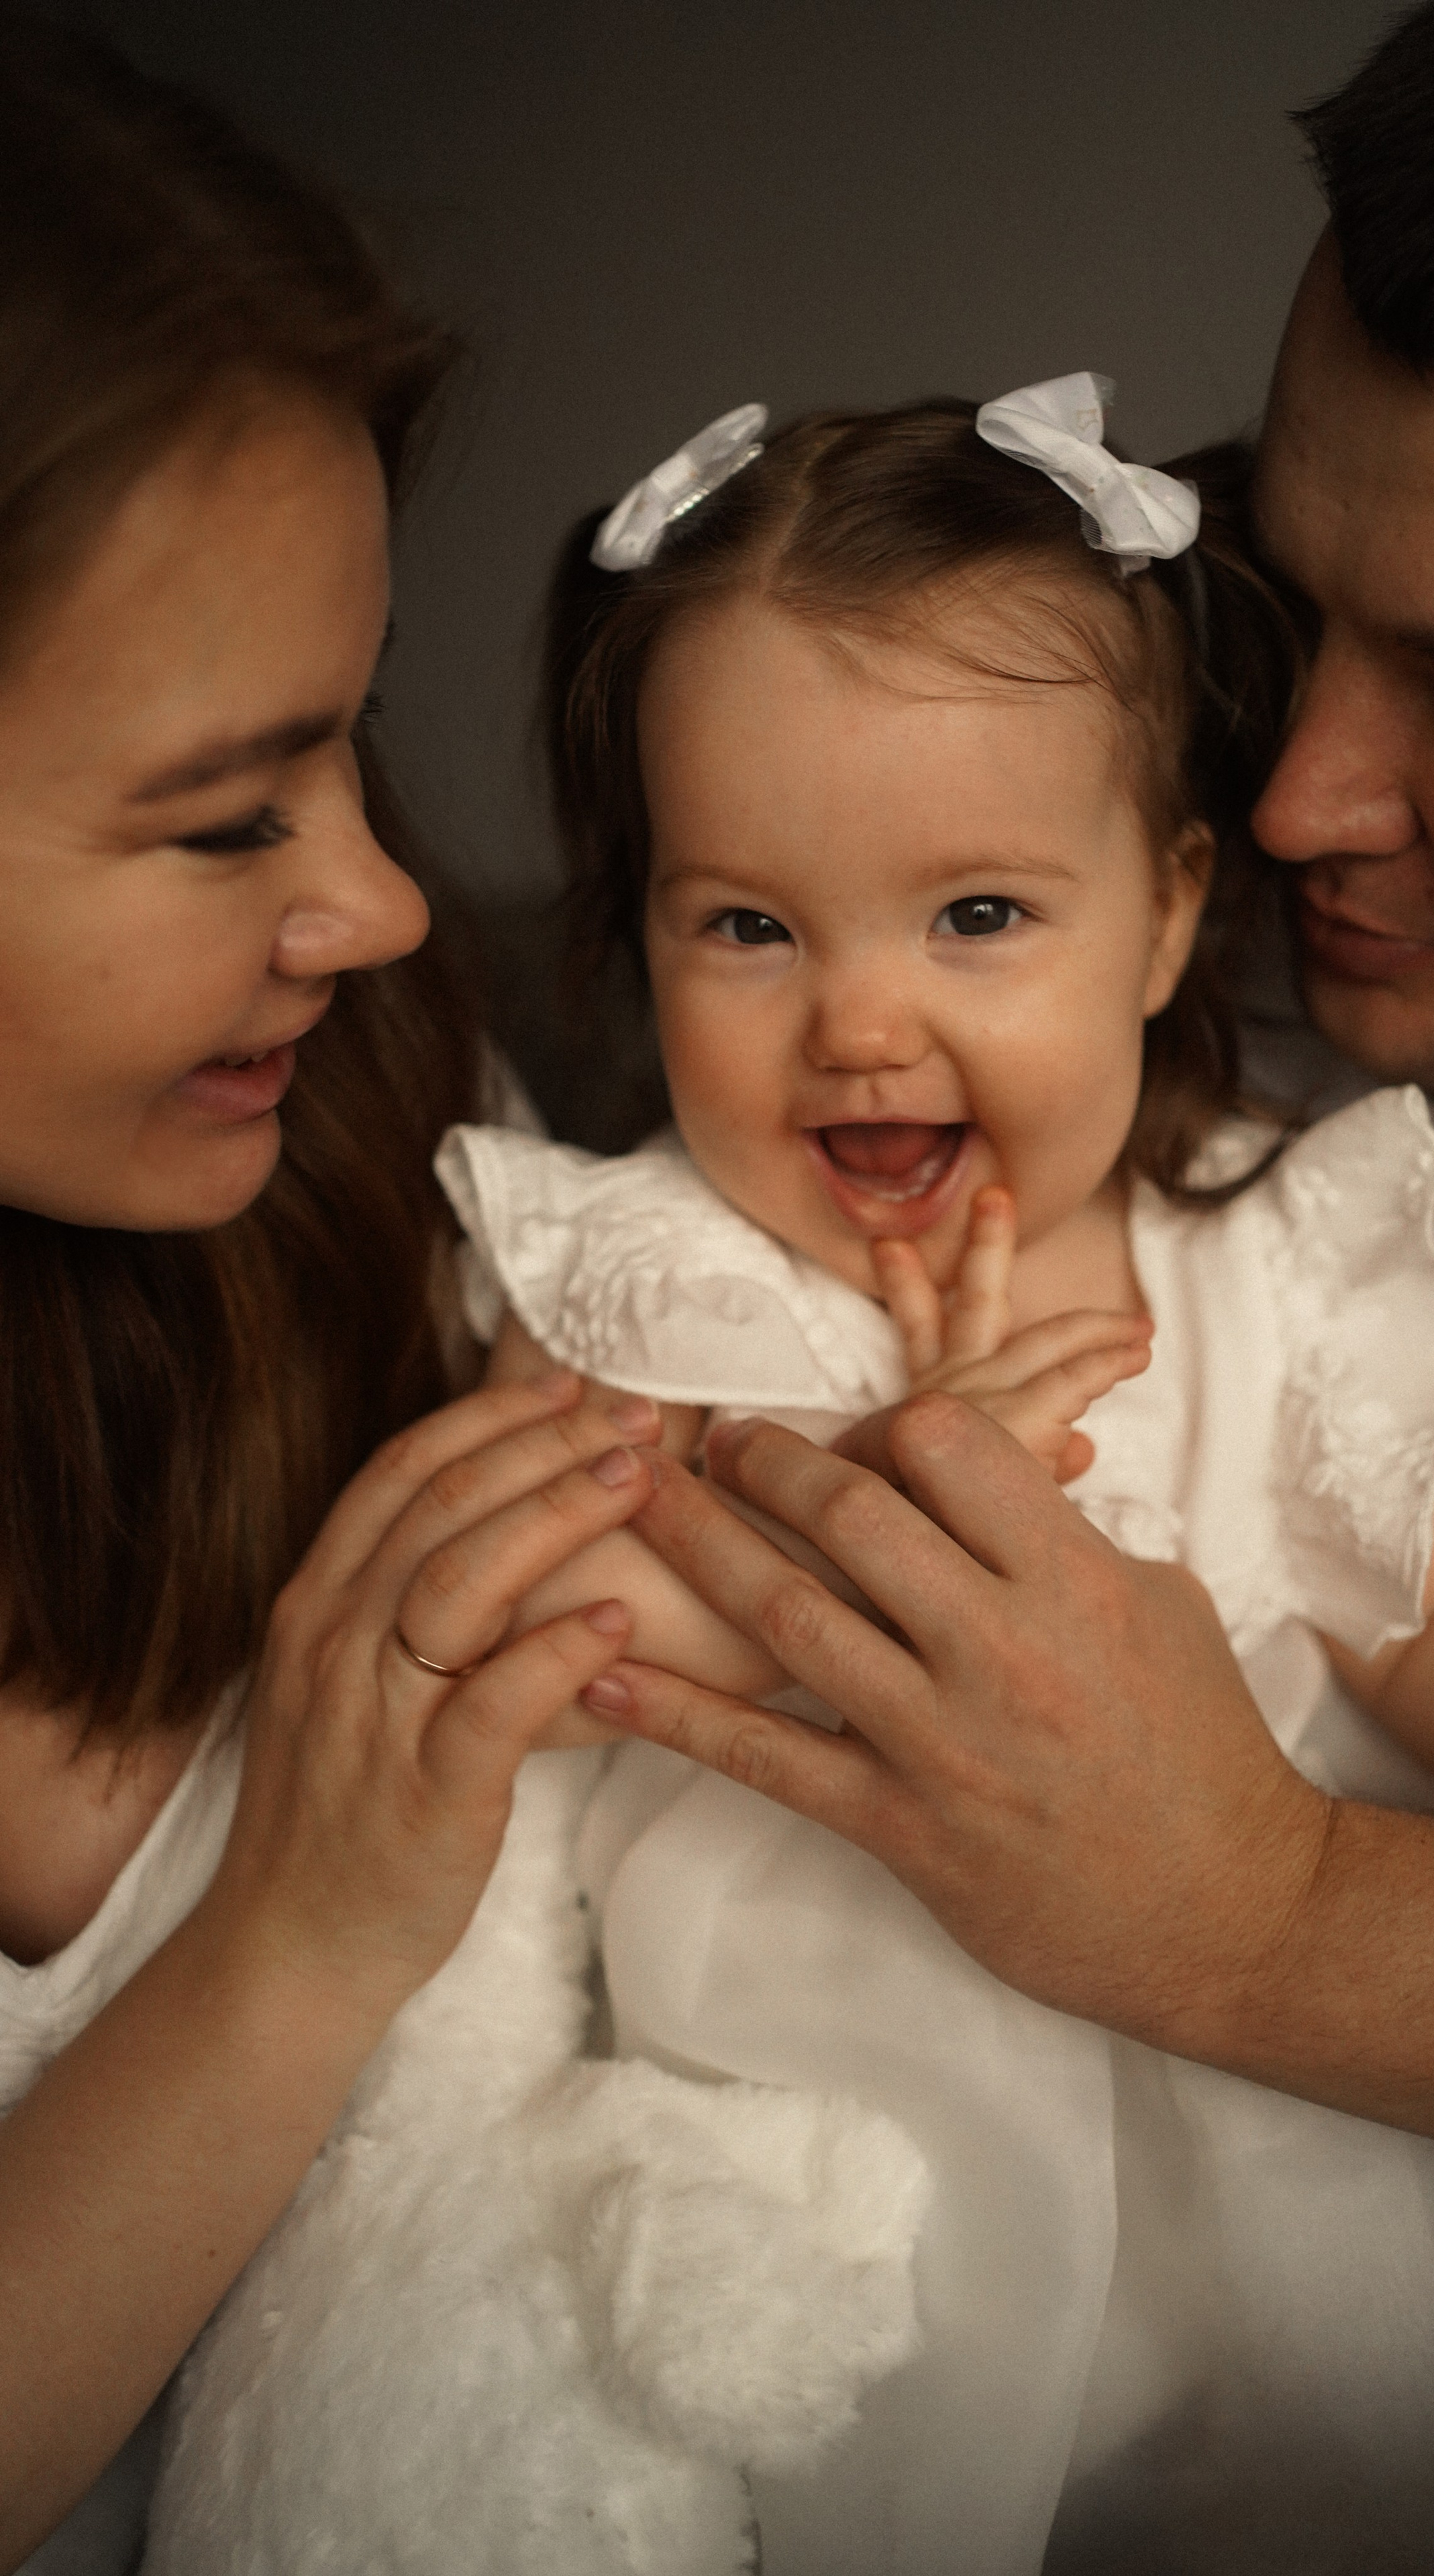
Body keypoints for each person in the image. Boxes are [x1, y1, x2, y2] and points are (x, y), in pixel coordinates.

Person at [547, 1, 1434, 2563]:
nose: (1290, 795)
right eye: (1294, 621)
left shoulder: (1273, 1258)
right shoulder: (705, 1204)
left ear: (1135, 906)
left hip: (1281, 2252)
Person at [0, 21, 667, 2571]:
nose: (383, 898)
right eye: (224, 813)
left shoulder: (366, 1098)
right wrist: (289, 1943)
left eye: (354, 745)